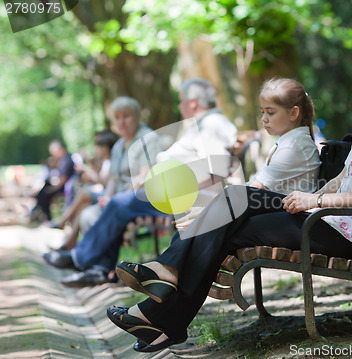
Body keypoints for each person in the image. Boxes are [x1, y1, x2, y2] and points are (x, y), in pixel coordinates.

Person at [106, 32, 352, 353]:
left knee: (233, 203)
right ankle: (163, 314)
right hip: (335, 221)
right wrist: (316, 200)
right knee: (229, 217)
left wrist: (315, 201)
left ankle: (165, 289)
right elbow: (344, 177)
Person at [42, 79, 240, 286]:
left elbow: (215, 171)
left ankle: (80, 259)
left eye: (181, 101)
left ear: (193, 103)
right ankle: (96, 267)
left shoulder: (211, 125)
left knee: (119, 203)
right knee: (117, 203)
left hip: (176, 196)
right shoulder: (203, 124)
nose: (179, 106)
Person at [42, 96, 161, 273]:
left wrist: (116, 198)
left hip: (140, 198)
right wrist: (108, 196)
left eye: (126, 116)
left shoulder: (148, 138)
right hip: (119, 198)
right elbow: (113, 178)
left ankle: (79, 258)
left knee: (113, 206)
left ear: (137, 116)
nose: (121, 121)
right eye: (117, 117)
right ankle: (100, 268)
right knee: (88, 215)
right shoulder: (119, 144)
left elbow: (145, 177)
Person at [49, 129, 119, 250]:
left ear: (105, 147)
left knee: (83, 193)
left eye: (97, 145)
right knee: (83, 206)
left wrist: (87, 168)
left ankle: (64, 220)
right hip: (104, 194)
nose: (95, 149)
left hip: (110, 196)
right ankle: (69, 244)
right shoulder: (106, 161)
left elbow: (104, 182)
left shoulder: (111, 161)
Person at [30, 140, 75, 223]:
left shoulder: (66, 161)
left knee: (44, 193)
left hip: (65, 188)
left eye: (53, 152)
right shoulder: (63, 160)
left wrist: (51, 188)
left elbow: (62, 180)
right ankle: (40, 212)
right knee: (44, 189)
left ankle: (46, 216)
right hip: (61, 185)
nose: (53, 155)